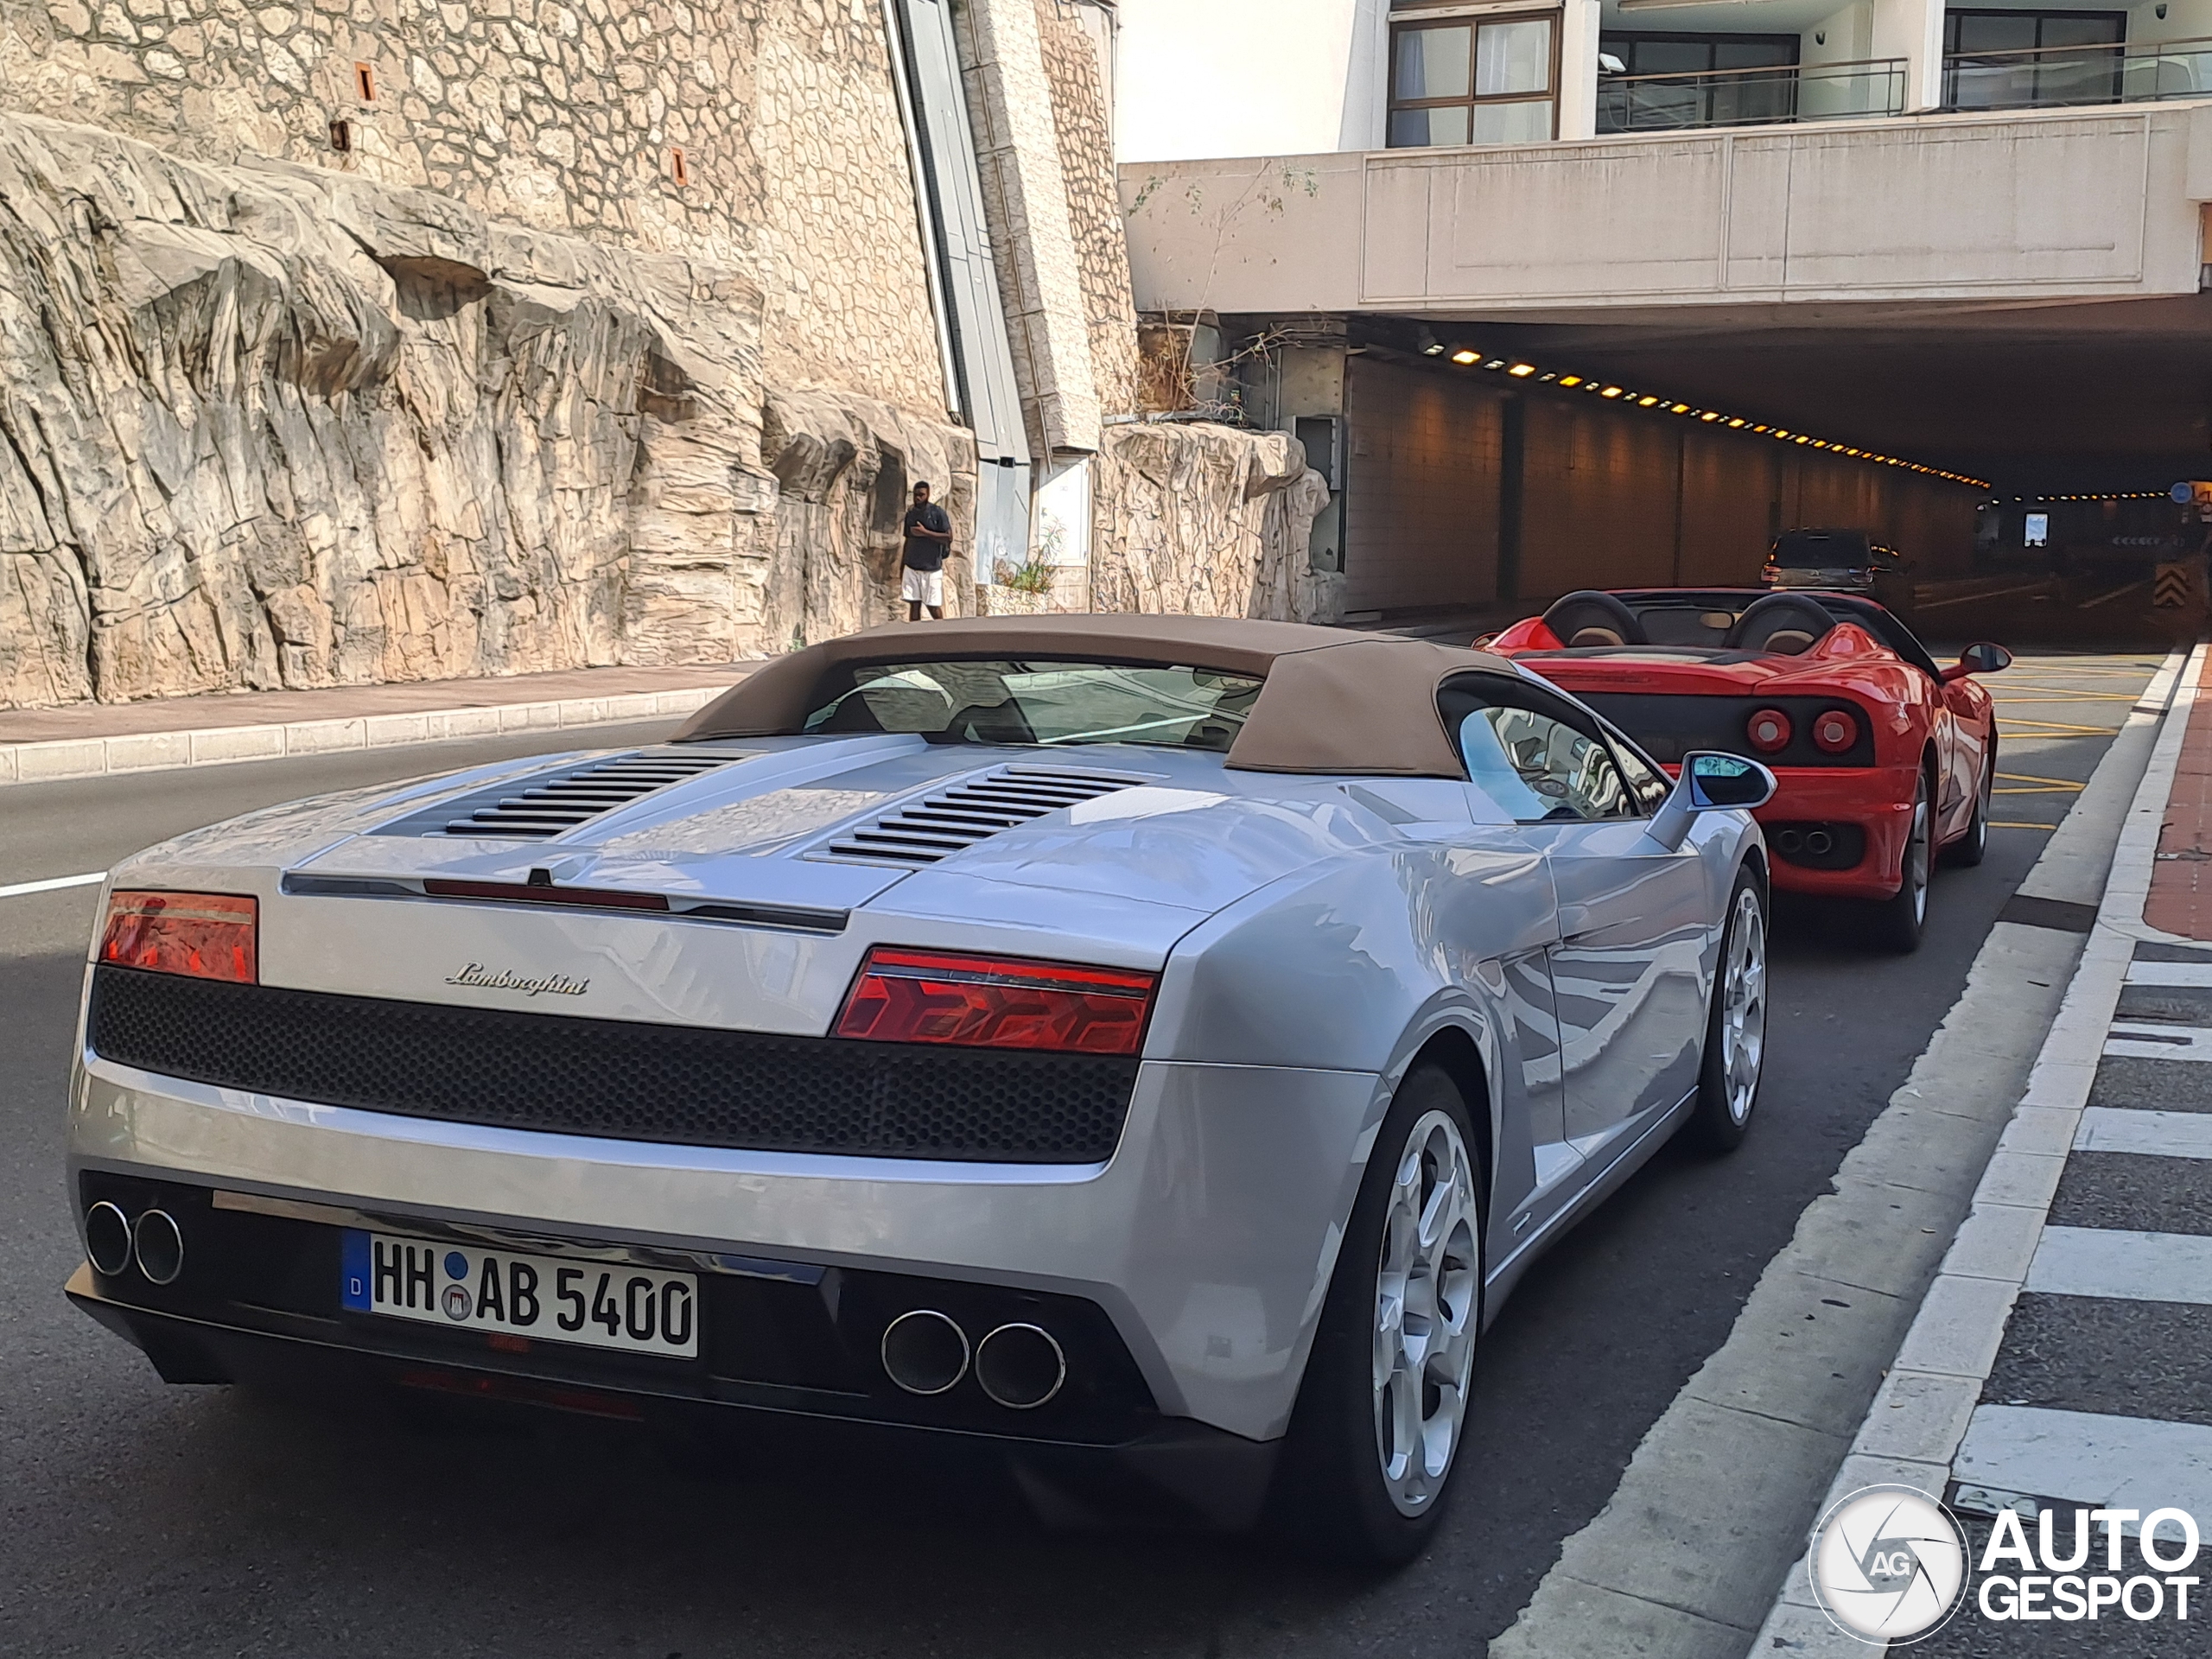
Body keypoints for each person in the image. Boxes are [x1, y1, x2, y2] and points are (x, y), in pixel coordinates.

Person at [900, 481, 953, 621]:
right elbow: (908, 539)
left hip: (931, 568)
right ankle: (915, 639)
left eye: (921, 495)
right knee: (914, 605)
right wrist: (902, 566)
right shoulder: (911, 514)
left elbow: (948, 537)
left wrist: (925, 533)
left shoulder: (937, 513)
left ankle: (944, 635)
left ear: (928, 494)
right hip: (912, 566)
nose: (918, 498)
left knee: (933, 606)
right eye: (916, 495)